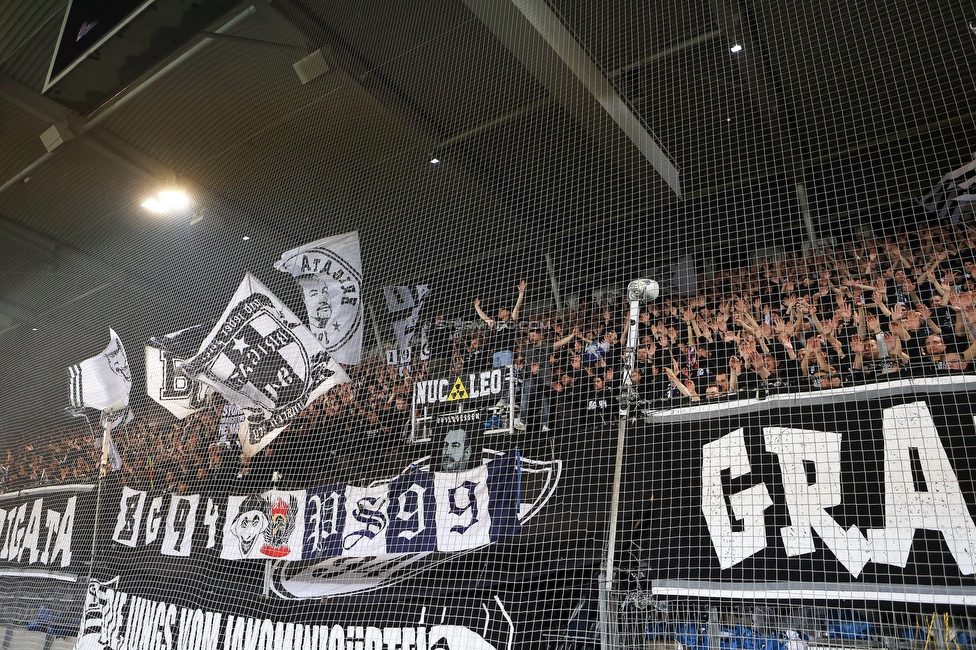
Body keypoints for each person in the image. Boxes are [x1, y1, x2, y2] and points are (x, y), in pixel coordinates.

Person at [517, 326, 579, 432]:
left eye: (533, 335)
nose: (531, 338)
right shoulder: (527, 349)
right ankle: (522, 421)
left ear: (540, 336)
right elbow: (518, 360)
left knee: (545, 402)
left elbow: (560, 343)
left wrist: (572, 335)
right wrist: (522, 366)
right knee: (526, 396)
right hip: (531, 377)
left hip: (545, 379)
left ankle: (545, 425)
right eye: (530, 336)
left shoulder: (546, 347)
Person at [473, 280, 526, 368]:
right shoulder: (497, 324)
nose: (500, 312)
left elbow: (517, 307)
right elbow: (484, 317)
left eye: (502, 310)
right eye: (499, 310)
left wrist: (521, 293)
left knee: (505, 375)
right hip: (496, 354)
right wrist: (477, 307)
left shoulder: (511, 321)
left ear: (508, 312)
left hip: (506, 352)